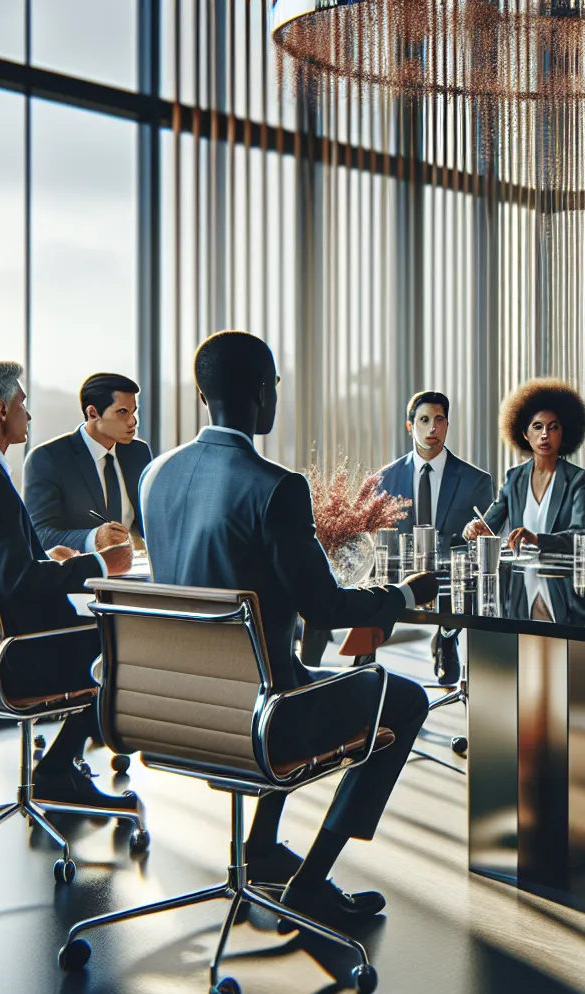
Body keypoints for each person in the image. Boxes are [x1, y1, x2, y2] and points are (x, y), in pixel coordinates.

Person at [139, 330, 440, 928]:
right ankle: (311, 880)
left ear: (203, 396)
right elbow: (324, 607)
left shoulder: (155, 476)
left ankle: (262, 845)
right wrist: (402, 595)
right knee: (405, 701)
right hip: (261, 716)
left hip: (172, 707)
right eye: (274, 385)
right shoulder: (276, 486)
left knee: (296, 674)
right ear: (261, 393)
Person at [0, 360, 136, 812]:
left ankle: (62, 765)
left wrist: (44, 559)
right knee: (120, 641)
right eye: (21, 403)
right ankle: (58, 768)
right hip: (13, 655)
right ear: (0, 410)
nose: (28, 415)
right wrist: (101, 563)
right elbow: (17, 582)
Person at [371, 391, 494, 686]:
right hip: (400, 572)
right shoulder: (385, 480)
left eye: (439, 420)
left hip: (451, 577)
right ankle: (365, 656)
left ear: (447, 425)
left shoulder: (476, 480)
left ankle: (447, 640)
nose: (432, 429)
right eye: (424, 420)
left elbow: (486, 539)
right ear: (410, 426)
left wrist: (478, 532)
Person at [24, 372, 152, 556]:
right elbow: (38, 536)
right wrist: (94, 538)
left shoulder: (138, 452)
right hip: (79, 575)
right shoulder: (47, 459)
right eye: (122, 412)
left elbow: (150, 521)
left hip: (135, 572)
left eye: (133, 412)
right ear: (92, 413)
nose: (133, 421)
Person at [461, 378, 585, 554]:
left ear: (563, 432)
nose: (545, 435)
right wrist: (474, 528)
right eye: (537, 427)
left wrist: (537, 540)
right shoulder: (513, 478)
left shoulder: (578, 480)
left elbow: (580, 537)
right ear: (524, 434)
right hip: (518, 578)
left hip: (559, 578)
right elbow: (488, 526)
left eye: (553, 428)